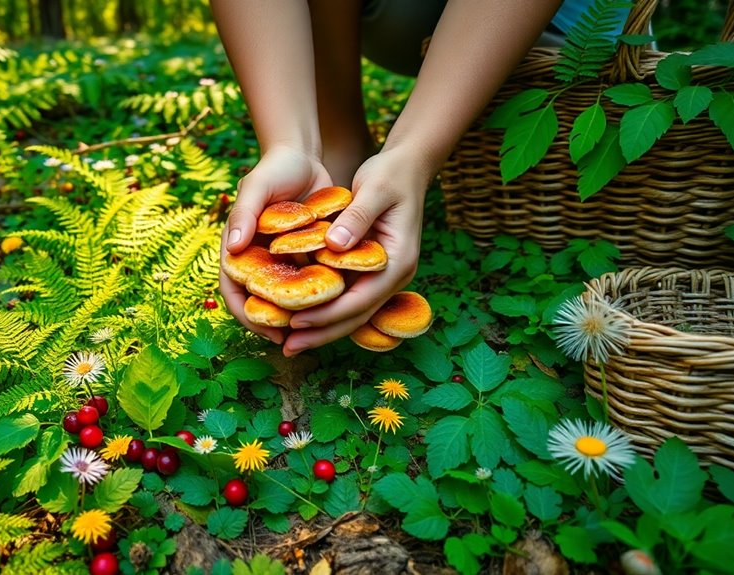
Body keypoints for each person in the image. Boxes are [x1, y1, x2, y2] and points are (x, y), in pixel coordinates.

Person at [211, 0, 614, 357]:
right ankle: (341, 145)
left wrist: (414, 155)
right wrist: (288, 144)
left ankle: (386, 161)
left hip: (569, 32)